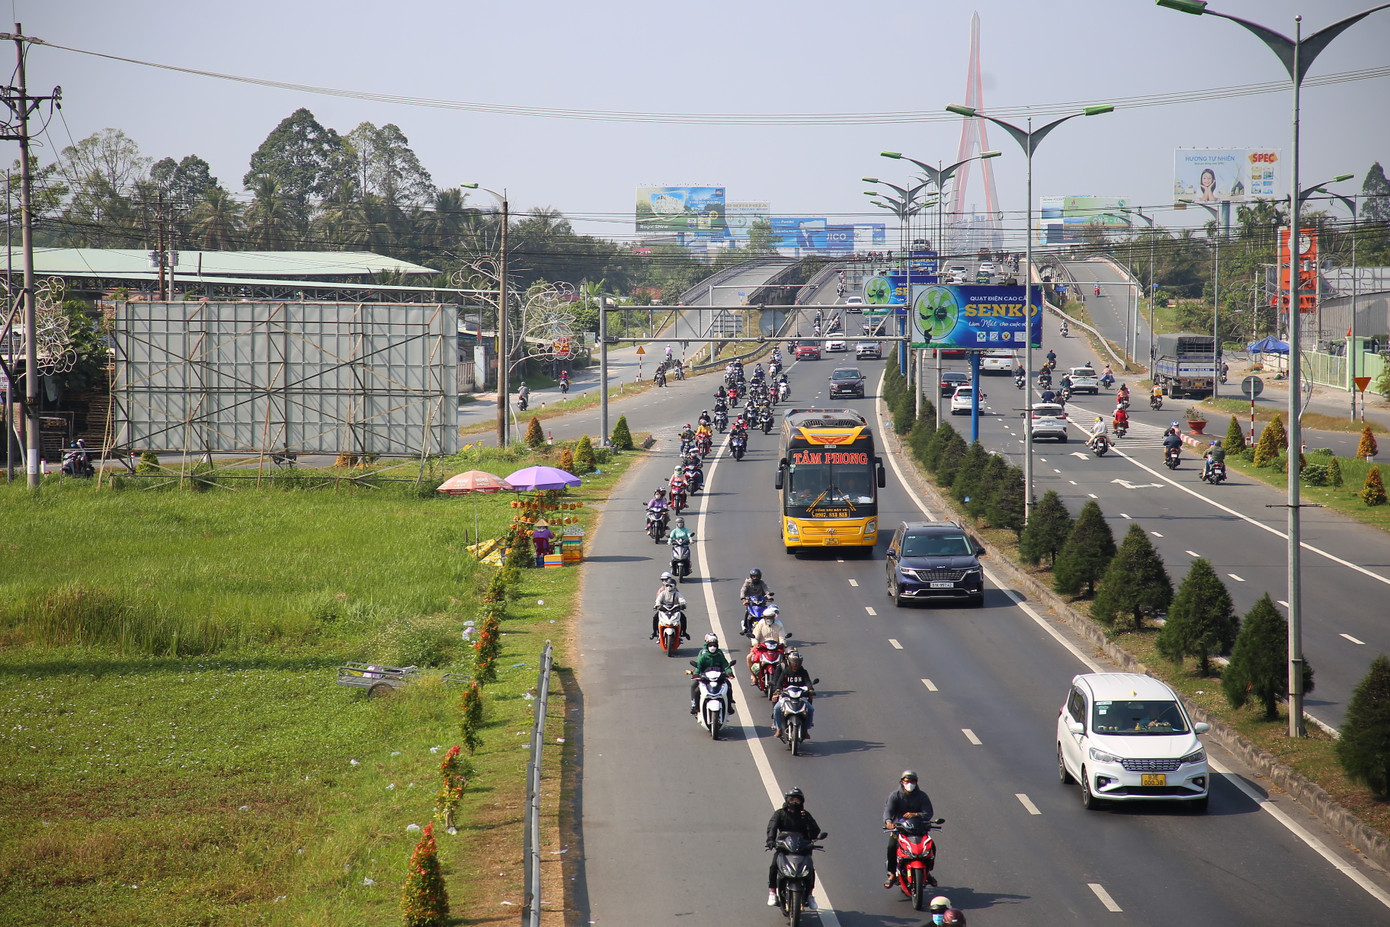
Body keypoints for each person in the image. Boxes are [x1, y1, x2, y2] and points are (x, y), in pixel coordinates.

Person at [765, 788, 822, 908]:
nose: (795, 802)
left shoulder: (805, 815)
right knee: (774, 865)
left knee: (810, 870)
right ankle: (772, 892)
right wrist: (771, 840)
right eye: (792, 799)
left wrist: (808, 821)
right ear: (787, 800)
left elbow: (815, 832)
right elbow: (772, 827)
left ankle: (810, 895)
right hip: (784, 848)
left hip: (802, 848)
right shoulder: (780, 813)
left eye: (797, 800)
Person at [883, 770, 935, 889]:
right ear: (902, 782)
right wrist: (889, 822)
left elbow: (928, 813)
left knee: (931, 847)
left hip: (919, 829)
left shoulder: (922, 796)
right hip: (900, 830)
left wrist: (916, 815)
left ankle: (928, 872)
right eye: (907, 781)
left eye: (912, 781)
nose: (909, 784)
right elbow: (888, 811)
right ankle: (892, 874)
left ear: (916, 782)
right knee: (891, 847)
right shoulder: (895, 795)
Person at [770, 649, 815, 739]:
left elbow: (808, 682)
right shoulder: (786, 671)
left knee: (810, 709)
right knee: (777, 709)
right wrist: (778, 689)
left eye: (798, 662)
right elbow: (779, 682)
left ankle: (806, 730)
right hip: (787, 695)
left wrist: (810, 690)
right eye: (794, 662)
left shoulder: (803, 672)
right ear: (790, 662)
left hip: (801, 695)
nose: (796, 664)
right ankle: (778, 729)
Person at [690, 633, 735, 714]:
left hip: (718, 676)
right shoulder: (703, 655)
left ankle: (729, 706)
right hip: (705, 677)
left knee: (728, 686)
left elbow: (725, 664)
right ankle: (695, 706)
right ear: (707, 645)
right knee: (695, 689)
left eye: (714, 645)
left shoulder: (719, 654)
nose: (712, 647)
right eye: (710, 645)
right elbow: (698, 666)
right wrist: (696, 674)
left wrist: (729, 672)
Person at [747, 603, 790, 681]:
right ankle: (753, 676)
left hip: (776, 647)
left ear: (774, 617)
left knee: (788, 657)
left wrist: (783, 643)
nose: (769, 619)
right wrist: (755, 643)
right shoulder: (760, 624)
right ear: (764, 617)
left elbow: (782, 636)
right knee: (749, 657)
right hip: (762, 647)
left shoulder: (779, 625)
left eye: (770, 617)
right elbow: (755, 636)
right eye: (767, 618)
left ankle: (786, 676)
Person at [651, 571, 689, 641]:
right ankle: (654, 632)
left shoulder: (676, 592)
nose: (668, 587)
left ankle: (683, 632)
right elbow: (658, 599)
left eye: (670, 585)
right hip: (664, 609)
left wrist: (682, 604)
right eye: (664, 581)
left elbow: (681, 599)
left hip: (674, 609)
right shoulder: (662, 592)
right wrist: (657, 605)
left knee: (683, 618)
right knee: (655, 618)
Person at [740, 568, 772, 635]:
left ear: (760, 576)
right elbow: (743, 590)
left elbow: (766, 590)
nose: (755, 578)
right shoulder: (748, 582)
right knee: (747, 613)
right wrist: (743, 598)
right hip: (750, 602)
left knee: (768, 613)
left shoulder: (762, 583)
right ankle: (745, 627)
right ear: (751, 576)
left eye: (757, 576)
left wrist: (769, 597)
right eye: (754, 576)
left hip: (761, 601)